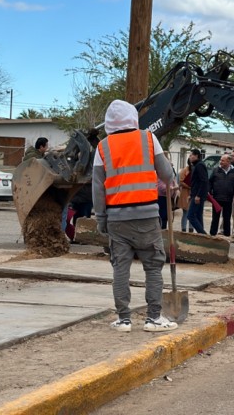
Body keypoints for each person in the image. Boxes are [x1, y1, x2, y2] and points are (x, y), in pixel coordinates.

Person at [92, 99, 178, 333]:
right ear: (133, 117)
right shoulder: (149, 138)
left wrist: (101, 219)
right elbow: (167, 175)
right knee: (152, 267)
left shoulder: (103, 147)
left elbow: (97, 188)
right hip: (148, 216)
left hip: (117, 219)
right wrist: (168, 169)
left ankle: (123, 319)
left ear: (109, 123)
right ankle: (153, 318)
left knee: (121, 268)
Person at [208, 154, 234, 237]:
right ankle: (212, 234)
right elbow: (210, 182)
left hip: (228, 199)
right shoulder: (216, 170)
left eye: (222, 160)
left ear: (228, 162)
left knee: (227, 218)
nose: (220, 162)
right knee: (215, 218)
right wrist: (209, 192)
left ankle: (227, 235)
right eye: (221, 160)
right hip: (217, 198)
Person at [185, 148, 208, 234]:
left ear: (196, 156)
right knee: (198, 215)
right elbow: (195, 182)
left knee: (190, 216)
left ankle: (203, 234)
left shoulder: (200, 165)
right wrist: (191, 195)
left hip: (198, 195)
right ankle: (202, 236)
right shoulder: (196, 165)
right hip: (196, 194)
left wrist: (198, 195)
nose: (190, 157)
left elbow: (204, 181)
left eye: (191, 155)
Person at [157, 151, 178, 230]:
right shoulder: (160, 171)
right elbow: (160, 185)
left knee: (166, 216)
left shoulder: (170, 171)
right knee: (162, 215)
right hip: (161, 197)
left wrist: (175, 187)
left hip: (168, 196)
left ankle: (164, 229)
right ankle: (162, 230)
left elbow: (173, 180)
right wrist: (170, 188)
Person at [178, 156, 192, 232]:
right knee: (186, 212)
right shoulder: (184, 170)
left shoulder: (196, 170)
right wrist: (189, 186)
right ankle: (183, 229)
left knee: (192, 213)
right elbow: (181, 182)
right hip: (185, 193)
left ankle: (191, 229)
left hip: (193, 193)